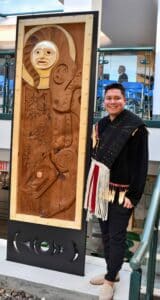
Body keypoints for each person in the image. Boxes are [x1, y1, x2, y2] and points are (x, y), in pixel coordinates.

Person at [84, 83, 148, 300]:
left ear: (124, 99)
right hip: (102, 192)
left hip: (123, 194)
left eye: (116, 98)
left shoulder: (136, 127)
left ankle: (110, 282)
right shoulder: (101, 124)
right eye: (109, 98)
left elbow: (141, 165)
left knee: (117, 236)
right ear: (104, 101)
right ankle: (113, 272)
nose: (112, 102)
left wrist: (134, 196)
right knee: (106, 236)